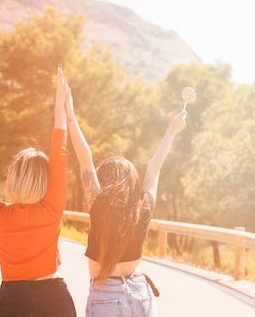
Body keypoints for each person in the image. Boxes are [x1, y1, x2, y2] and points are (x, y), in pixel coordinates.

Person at [0, 67, 76, 317]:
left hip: (13, 302)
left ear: (13, 179)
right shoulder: (52, 208)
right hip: (55, 301)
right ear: (45, 181)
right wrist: (59, 105)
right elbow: (60, 151)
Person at [64, 79, 187, 317]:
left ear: (104, 182)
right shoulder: (142, 209)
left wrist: (70, 115)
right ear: (132, 183)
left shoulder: (98, 205)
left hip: (105, 297)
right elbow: (154, 168)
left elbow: (85, 160)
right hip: (141, 293)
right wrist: (171, 131)